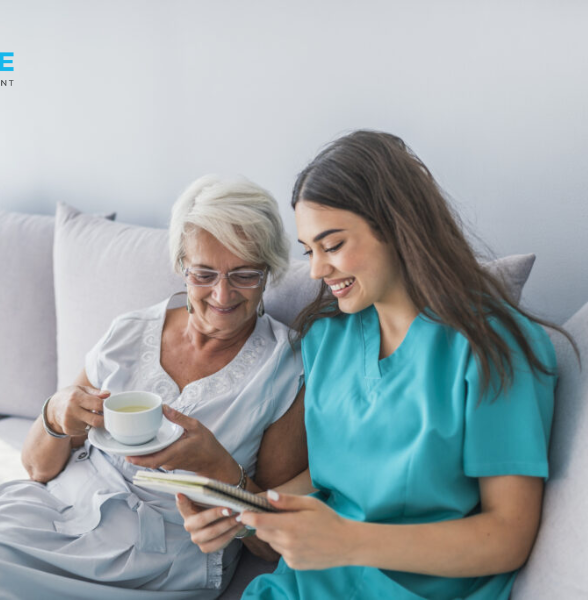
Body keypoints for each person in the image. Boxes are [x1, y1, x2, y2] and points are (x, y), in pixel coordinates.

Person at [179, 131, 575, 599]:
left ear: (396, 226)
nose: (316, 271)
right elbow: (331, 481)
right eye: (309, 250)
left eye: (332, 245)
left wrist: (349, 542)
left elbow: (507, 536)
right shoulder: (327, 339)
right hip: (307, 587)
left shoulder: (494, 347)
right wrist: (250, 514)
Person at [0, 175, 308, 600]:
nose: (222, 294)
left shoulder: (283, 368)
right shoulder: (130, 332)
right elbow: (37, 468)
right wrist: (57, 411)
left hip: (158, 556)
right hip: (63, 511)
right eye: (204, 274)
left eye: (244, 274)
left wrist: (218, 468)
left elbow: (269, 544)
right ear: (181, 266)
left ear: (268, 273)